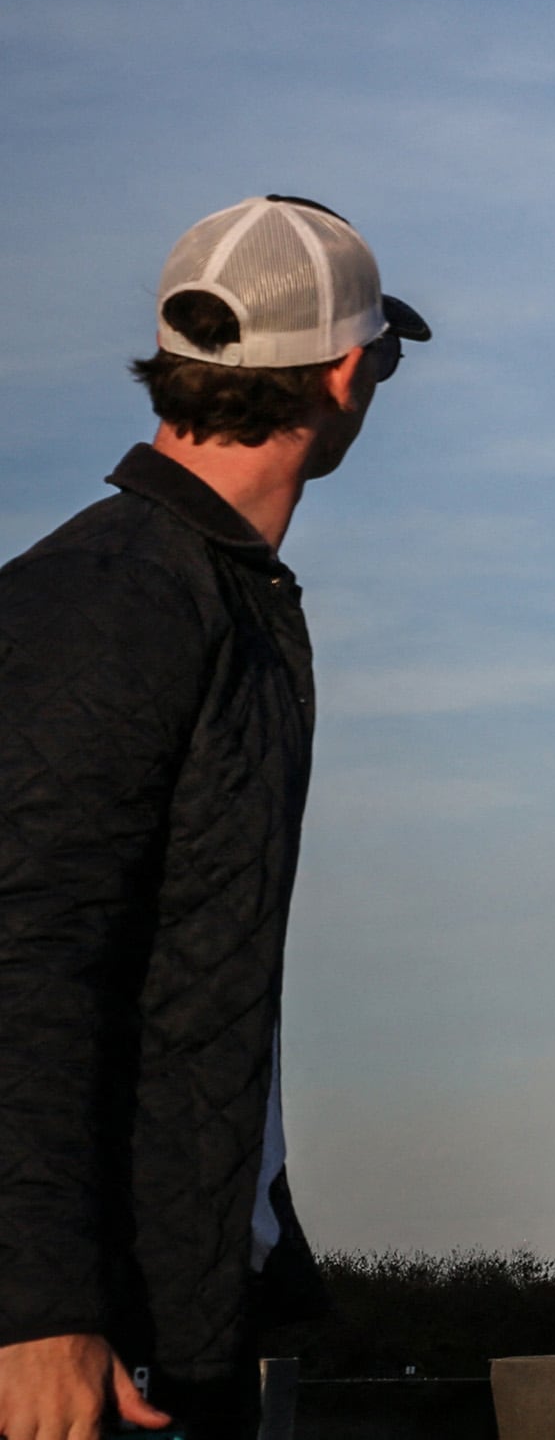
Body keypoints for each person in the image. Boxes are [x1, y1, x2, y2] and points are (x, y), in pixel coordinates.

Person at [0, 196, 427, 1440]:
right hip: (86, 1339)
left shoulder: (198, 591)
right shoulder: (117, 601)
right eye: (387, 356)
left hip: (166, 1305)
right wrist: (36, 1308)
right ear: (347, 372)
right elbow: (26, 954)